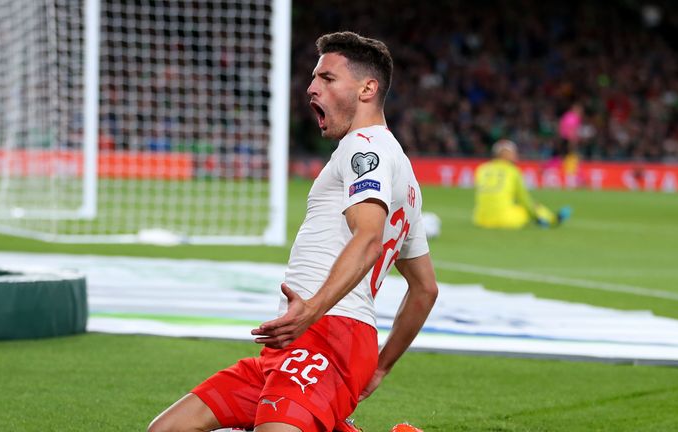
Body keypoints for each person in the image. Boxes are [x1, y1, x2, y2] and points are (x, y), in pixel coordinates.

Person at [148, 31, 438, 432]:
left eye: (327, 78)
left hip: (332, 330)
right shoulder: (403, 174)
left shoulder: (363, 148)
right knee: (165, 430)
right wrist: (380, 367)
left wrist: (315, 309)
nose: (311, 88)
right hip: (295, 337)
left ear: (367, 89)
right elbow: (425, 289)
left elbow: (369, 237)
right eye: (314, 78)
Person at [473, 139, 570, 229]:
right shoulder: (512, 171)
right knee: (532, 206)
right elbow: (523, 199)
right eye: (513, 152)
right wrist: (535, 216)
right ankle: (553, 219)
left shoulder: (482, 169)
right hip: (504, 219)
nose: (515, 154)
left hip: (480, 219)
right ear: (505, 154)